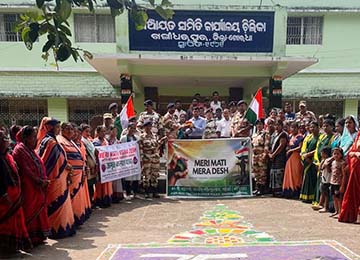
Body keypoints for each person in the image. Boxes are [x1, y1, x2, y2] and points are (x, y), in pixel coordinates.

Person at [37, 117, 76, 238]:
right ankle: (57, 230)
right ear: (50, 128)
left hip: (59, 177)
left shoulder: (49, 140)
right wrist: (65, 165)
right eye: (57, 127)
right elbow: (50, 160)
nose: (59, 130)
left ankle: (64, 227)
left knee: (63, 203)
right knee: (58, 204)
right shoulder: (50, 142)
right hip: (55, 178)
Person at [12, 126, 50, 246]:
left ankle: (39, 236)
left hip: (38, 187)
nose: (35, 140)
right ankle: (29, 237)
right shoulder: (19, 150)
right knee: (29, 210)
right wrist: (39, 181)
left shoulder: (30, 149)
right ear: (25, 138)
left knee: (40, 211)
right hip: (29, 187)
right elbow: (26, 169)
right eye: (33, 137)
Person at [0, 130, 31, 254]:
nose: (6, 141)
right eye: (2, 139)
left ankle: (13, 247)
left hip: (14, 196)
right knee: (5, 224)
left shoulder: (8, 156)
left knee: (15, 222)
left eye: (6, 138)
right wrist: (4, 194)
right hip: (4, 199)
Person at [57, 123, 90, 226]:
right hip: (70, 177)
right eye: (67, 129)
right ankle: (72, 220)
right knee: (71, 200)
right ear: (62, 130)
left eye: (72, 129)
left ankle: (77, 218)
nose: (70, 131)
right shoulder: (60, 141)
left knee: (77, 200)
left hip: (78, 176)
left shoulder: (71, 141)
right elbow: (61, 159)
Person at [139, 119, 167, 198]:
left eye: (150, 126)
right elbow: (141, 148)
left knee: (154, 174)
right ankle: (147, 191)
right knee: (146, 175)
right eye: (147, 126)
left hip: (155, 157)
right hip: (146, 157)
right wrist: (141, 159)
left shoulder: (154, 135)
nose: (148, 127)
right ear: (144, 127)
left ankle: (154, 191)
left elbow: (157, 145)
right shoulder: (141, 137)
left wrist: (161, 141)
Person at [312, 119, 335, 208]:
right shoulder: (322, 137)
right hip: (320, 162)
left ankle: (326, 205)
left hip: (327, 164)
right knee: (321, 184)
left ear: (332, 127)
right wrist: (317, 162)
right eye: (324, 126)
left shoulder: (333, 137)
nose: (325, 128)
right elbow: (318, 149)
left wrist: (326, 162)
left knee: (325, 185)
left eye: (327, 126)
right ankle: (319, 202)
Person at [339, 130, 360, 224]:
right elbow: (351, 152)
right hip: (355, 169)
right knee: (353, 192)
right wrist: (355, 154)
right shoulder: (358, 135)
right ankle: (352, 215)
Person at [300, 121, 321, 203]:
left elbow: (318, 148)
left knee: (312, 179)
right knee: (306, 178)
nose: (312, 129)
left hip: (314, 160)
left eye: (314, 127)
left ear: (318, 128)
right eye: (311, 127)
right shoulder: (308, 137)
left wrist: (309, 155)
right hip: (306, 160)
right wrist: (304, 155)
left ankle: (312, 196)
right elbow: (303, 148)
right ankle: (305, 196)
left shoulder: (320, 137)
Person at [93, 125, 113, 208]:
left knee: (107, 183)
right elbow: (95, 153)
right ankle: (99, 200)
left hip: (107, 166)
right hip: (100, 166)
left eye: (104, 131)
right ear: (98, 133)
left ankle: (107, 199)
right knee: (100, 184)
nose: (103, 133)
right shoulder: (95, 142)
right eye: (102, 131)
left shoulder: (106, 141)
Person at [283, 122, 304, 199]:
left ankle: (296, 192)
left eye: (295, 128)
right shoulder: (290, 136)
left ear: (297, 129)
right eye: (292, 128)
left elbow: (300, 147)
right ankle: (289, 192)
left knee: (296, 174)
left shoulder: (300, 137)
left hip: (296, 157)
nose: (293, 129)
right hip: (289, 158)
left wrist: (291, 151)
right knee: (289, 174)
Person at [120, 123, 140, 200]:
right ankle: (128, 193)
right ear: (127, 129)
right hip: (127, 159)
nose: (132, 130)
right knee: (127, 177)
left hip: (135, 160)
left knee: (136, 176)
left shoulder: (137, 138)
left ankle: (135, 193)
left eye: (133, 129)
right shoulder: (123, 138)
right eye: (131, 128)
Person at [268, 120, 288, 196]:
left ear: (281, 126)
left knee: (279, 173)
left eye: (278, 125)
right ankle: (273, 190)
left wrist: (274, 154)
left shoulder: (283, 134)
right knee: (273, 173)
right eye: (275, 125)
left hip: (280, 156)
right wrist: (270, 154)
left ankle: (279, 191)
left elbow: (281, 146)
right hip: (273, 157)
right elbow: (271, 144)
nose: (276, 127)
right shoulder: (274, 134)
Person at [326, 147, 346, 218]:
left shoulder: (342, 163)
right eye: (334, 154)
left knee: (339, 198)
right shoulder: (333, 162)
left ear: (341, 155)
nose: (336, 155)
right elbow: (330, 171)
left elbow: (344, 175)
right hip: (332, 182)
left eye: (338, 154)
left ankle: (340, 212)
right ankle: (336, 211)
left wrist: (342, 185)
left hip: (338, 183)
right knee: (334, 197)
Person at [81, 124, 97, 208]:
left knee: (92, 185)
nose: (88, 133)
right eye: (86, 131)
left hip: (93, 166)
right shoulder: (82, 141)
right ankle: (89, 203)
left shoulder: (89, 140)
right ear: (82, 132)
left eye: (89, 131)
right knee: (89, 185)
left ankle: (91, 201)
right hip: (88, 167)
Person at [252, 119, 270, 195]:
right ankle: (258, 188)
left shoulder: (265, 134)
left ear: (263, 125)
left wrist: (264, 155)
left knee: (262, 173)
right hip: (255, 156)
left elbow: (266, 145)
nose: (259, 126)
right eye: (257, 124)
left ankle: (262, 189)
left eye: (260, 124)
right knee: (256, 173)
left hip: (261, 155)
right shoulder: (254, 134)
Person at [318, 146, 332, 213]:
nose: (321, 154)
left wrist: (326, 165)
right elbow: (320, 168)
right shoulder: (323, 160)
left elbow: (329, 170)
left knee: (326, 194)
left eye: (322, 153)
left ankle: (326, 207)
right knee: (322, 192)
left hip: (327, 179)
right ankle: (321, 204)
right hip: (323, 178)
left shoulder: (328, 161)